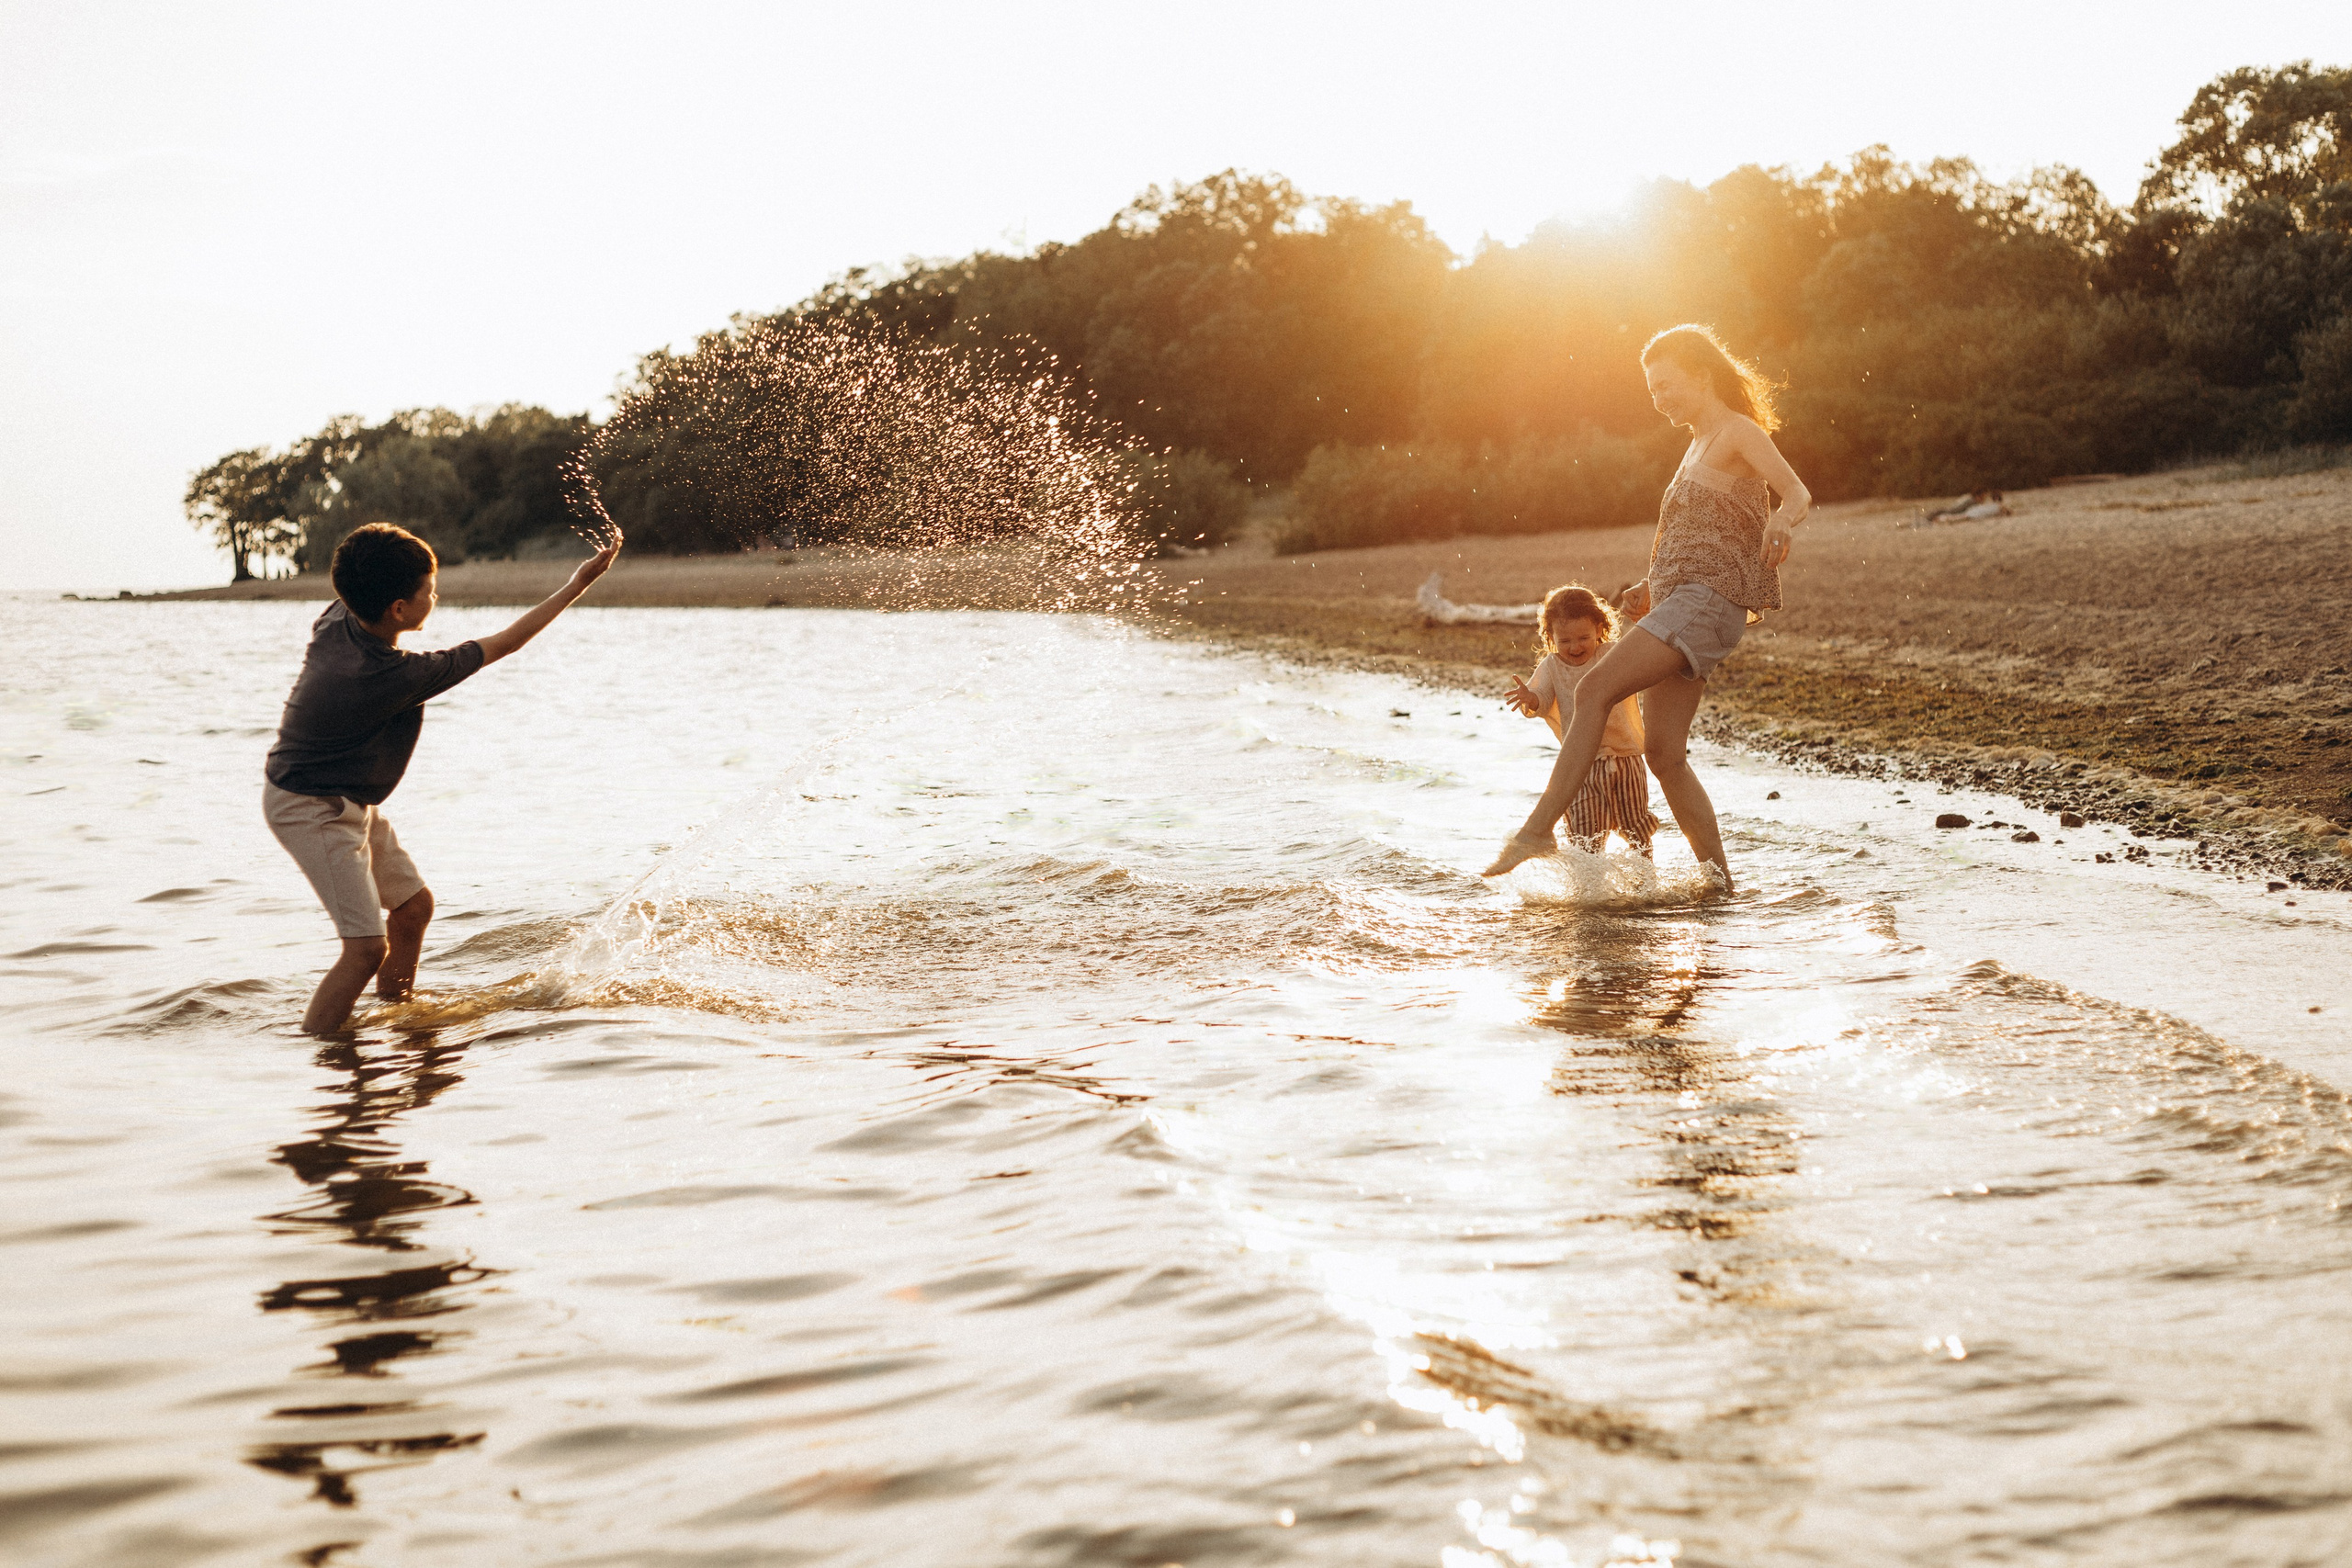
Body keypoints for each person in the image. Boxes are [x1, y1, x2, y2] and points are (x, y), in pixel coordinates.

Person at [1482, 324, 1811, 891]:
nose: (1660, 399)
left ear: (1703, 375)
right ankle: (1719, 884)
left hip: (1707, 604)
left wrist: (1782, 519)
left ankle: (1538, 829)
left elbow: (1798, 493)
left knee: (1590, 689)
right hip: (1684, 601)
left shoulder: (1739, 432)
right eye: (1653, 390)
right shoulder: (1694, 445)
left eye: (1669, 385)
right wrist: (1649, 585)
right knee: (1663, 755)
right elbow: (1700, 536)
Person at [264, 523, 620, 1032]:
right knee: (365, 949)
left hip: (346, 797)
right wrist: (578, 584)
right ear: (399, 610)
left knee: (412, 909)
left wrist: (389, 548)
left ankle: (397, 1017)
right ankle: (323, 1053)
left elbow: (364, 557)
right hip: (308, 807)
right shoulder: (391, 675)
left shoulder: (339, 617)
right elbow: (505, 644)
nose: (437, 594)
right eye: (429, 590)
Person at [1503, 585, 1658, 857]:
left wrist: (1644, 620)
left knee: (1637, 828)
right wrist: (1530, 698)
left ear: (1599, 629)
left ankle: (1644, 879)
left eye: (1583, 637)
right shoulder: (1551, 666)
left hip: (1626, 758)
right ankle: (1587, 889)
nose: (1574, 647)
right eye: (1565, 641)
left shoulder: (1611, 652)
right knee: (1585, 835)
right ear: (1550, 637)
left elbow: (1643, 658)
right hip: (1580, 765)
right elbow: (1542, 698)